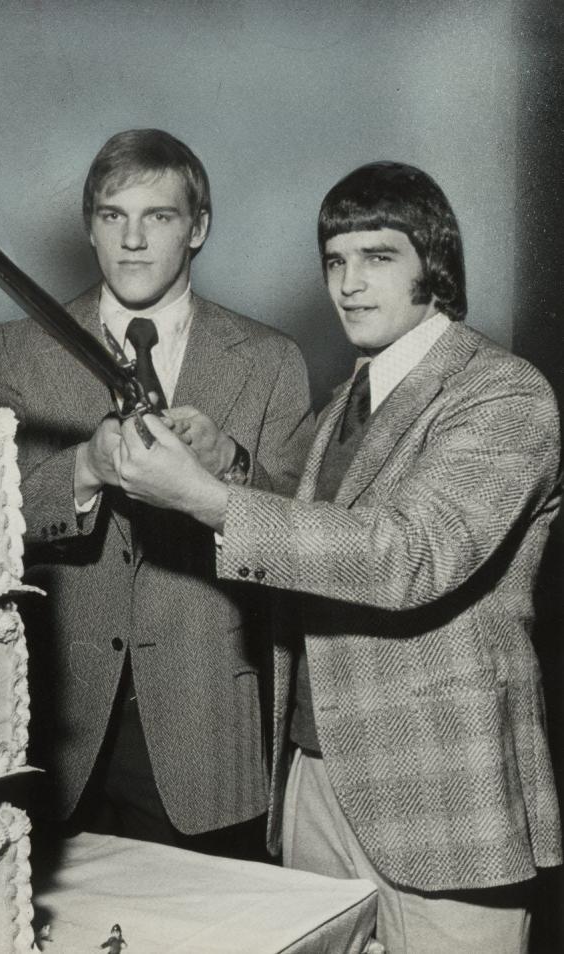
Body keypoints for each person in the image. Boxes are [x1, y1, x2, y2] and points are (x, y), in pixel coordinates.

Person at [115, 161, 561, 953]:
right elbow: (324, 533)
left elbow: (409, 555)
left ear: (436, 264)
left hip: (442, 800)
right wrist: (230, 467)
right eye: (335, 261)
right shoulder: (351, 396)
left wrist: (204, 499)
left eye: (379, 257)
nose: (349, 284)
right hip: (317, 776)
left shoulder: (503, 393)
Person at [0, 129, 314, 853]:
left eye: (158, 216)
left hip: (208, 735)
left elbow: (306, 540)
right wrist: (84, 470)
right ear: (88, 228)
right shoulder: (14, 350)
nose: (131, 240)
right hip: (54, 731)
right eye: (111, 215)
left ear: (199, 230)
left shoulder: (273, 361)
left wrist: (235, 463)